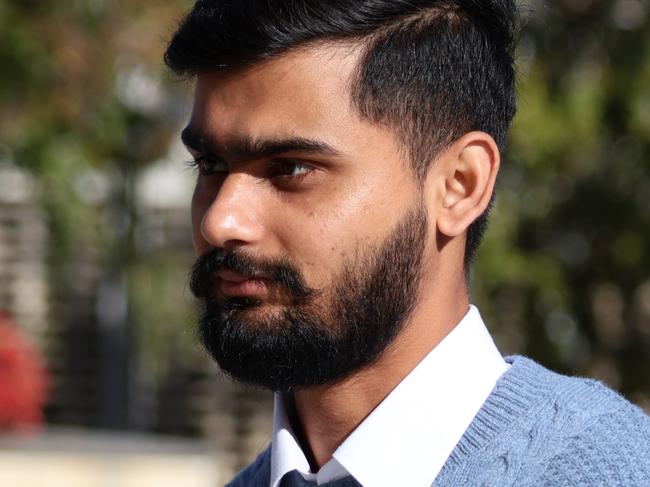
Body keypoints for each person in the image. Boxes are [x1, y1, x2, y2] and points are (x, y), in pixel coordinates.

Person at [165, 1, 650, 485]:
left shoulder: (611, 469)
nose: (220, 220)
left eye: (290, 168)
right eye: (210, 166)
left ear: (459, 185)